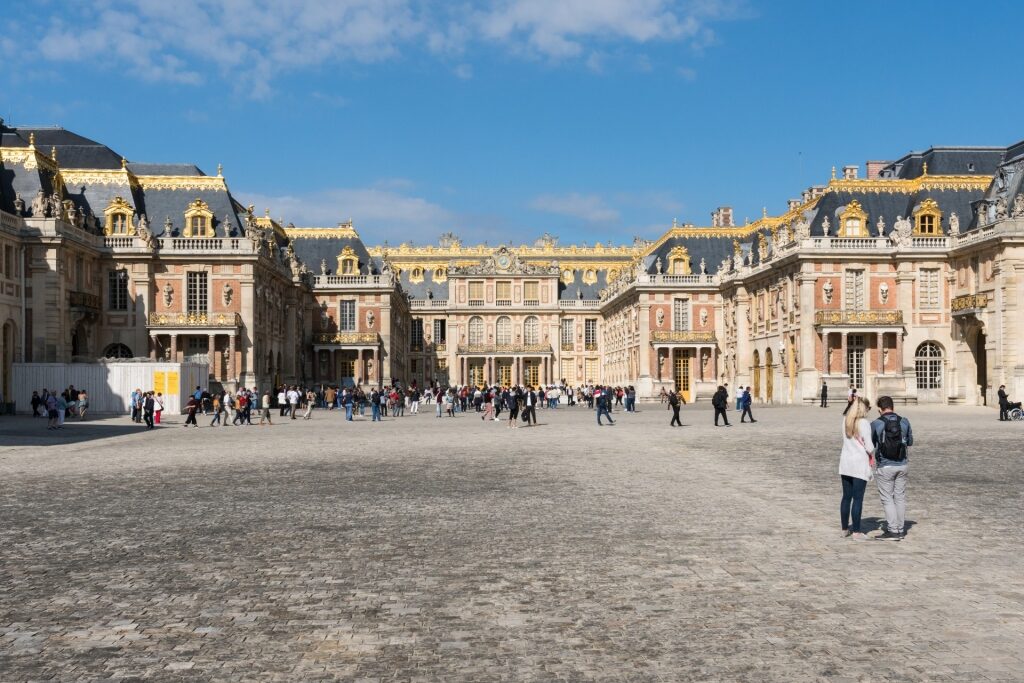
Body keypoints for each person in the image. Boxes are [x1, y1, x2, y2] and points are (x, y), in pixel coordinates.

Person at [871, 396, 913, 540]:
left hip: (885, 465)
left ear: (880, 409)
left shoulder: (876, 423)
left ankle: (893, 530)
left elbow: (871, 443)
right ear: (893, 407)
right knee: (900, 497)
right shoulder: (904, 421)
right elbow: (910, 441)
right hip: (902, 464)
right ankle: (900, 529)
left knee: (887, 498)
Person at [839, 397, 874, 540]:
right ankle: (857, 532)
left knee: (846, 497)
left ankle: (844, 529)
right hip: (859, 464)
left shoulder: (845, 421)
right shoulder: (864, 423)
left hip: (846, 463)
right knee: (858, 499)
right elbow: (869, 446)